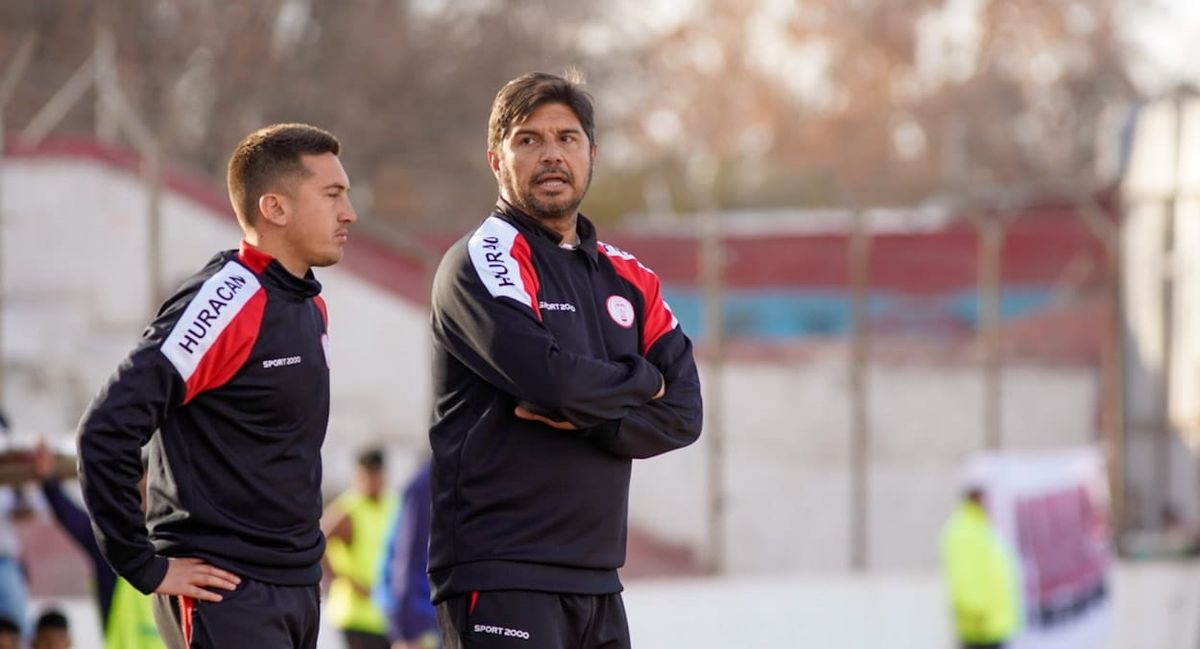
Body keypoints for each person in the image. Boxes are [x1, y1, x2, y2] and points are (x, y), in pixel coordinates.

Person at [428, 71, 704, 649]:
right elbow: (549, 382)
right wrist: (642, 379)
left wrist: (596, 412)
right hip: (501, 573)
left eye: (567, 138)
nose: (551, 154)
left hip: (599, 581)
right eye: (528, 140)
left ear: (592, 154)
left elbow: (684, 412)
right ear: (496, 161)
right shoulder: (480, 260)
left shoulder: (631, 278)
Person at [76, 122, 357, 649]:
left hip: (297, 586)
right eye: (333, 195)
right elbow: (104, 431)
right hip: (226, 591)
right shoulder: (224, 300)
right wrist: (142, 564)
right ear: (275, 208)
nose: (349, 212)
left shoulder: (309, 304)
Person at [32, 442, 164, 648]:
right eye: (139, 491)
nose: (145, 500)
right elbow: (73, 520)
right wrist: (49, 481)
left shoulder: (180, 544)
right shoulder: (115, 545)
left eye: (151, 491)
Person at [322, 448, 398, 649]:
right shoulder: (347, 509)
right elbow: (318, 543)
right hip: (355, 614)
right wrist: (344, 579)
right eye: (365, 476)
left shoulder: (395, 505)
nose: (370, 482)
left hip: (385, 615)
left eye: (375, 475)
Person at [940, 485, 1021, 649]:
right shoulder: (962, 529)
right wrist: (978, 612)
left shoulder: (985, 526)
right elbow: (962, 577)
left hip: (995, 625)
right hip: (980, 626)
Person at [376, 459, 437, 649]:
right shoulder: (425, 485)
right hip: (420, 615)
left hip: (436, 611)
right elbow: (405, 557)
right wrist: (405, 629)